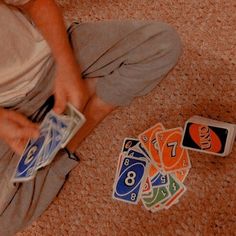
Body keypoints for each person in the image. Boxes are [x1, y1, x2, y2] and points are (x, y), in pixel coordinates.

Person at [0, 0, 182, 235]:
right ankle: (81, 122)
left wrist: (66, 65)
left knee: (162, 43)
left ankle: (92, 108)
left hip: (49, 58)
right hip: (7, 111)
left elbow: (37, 3)